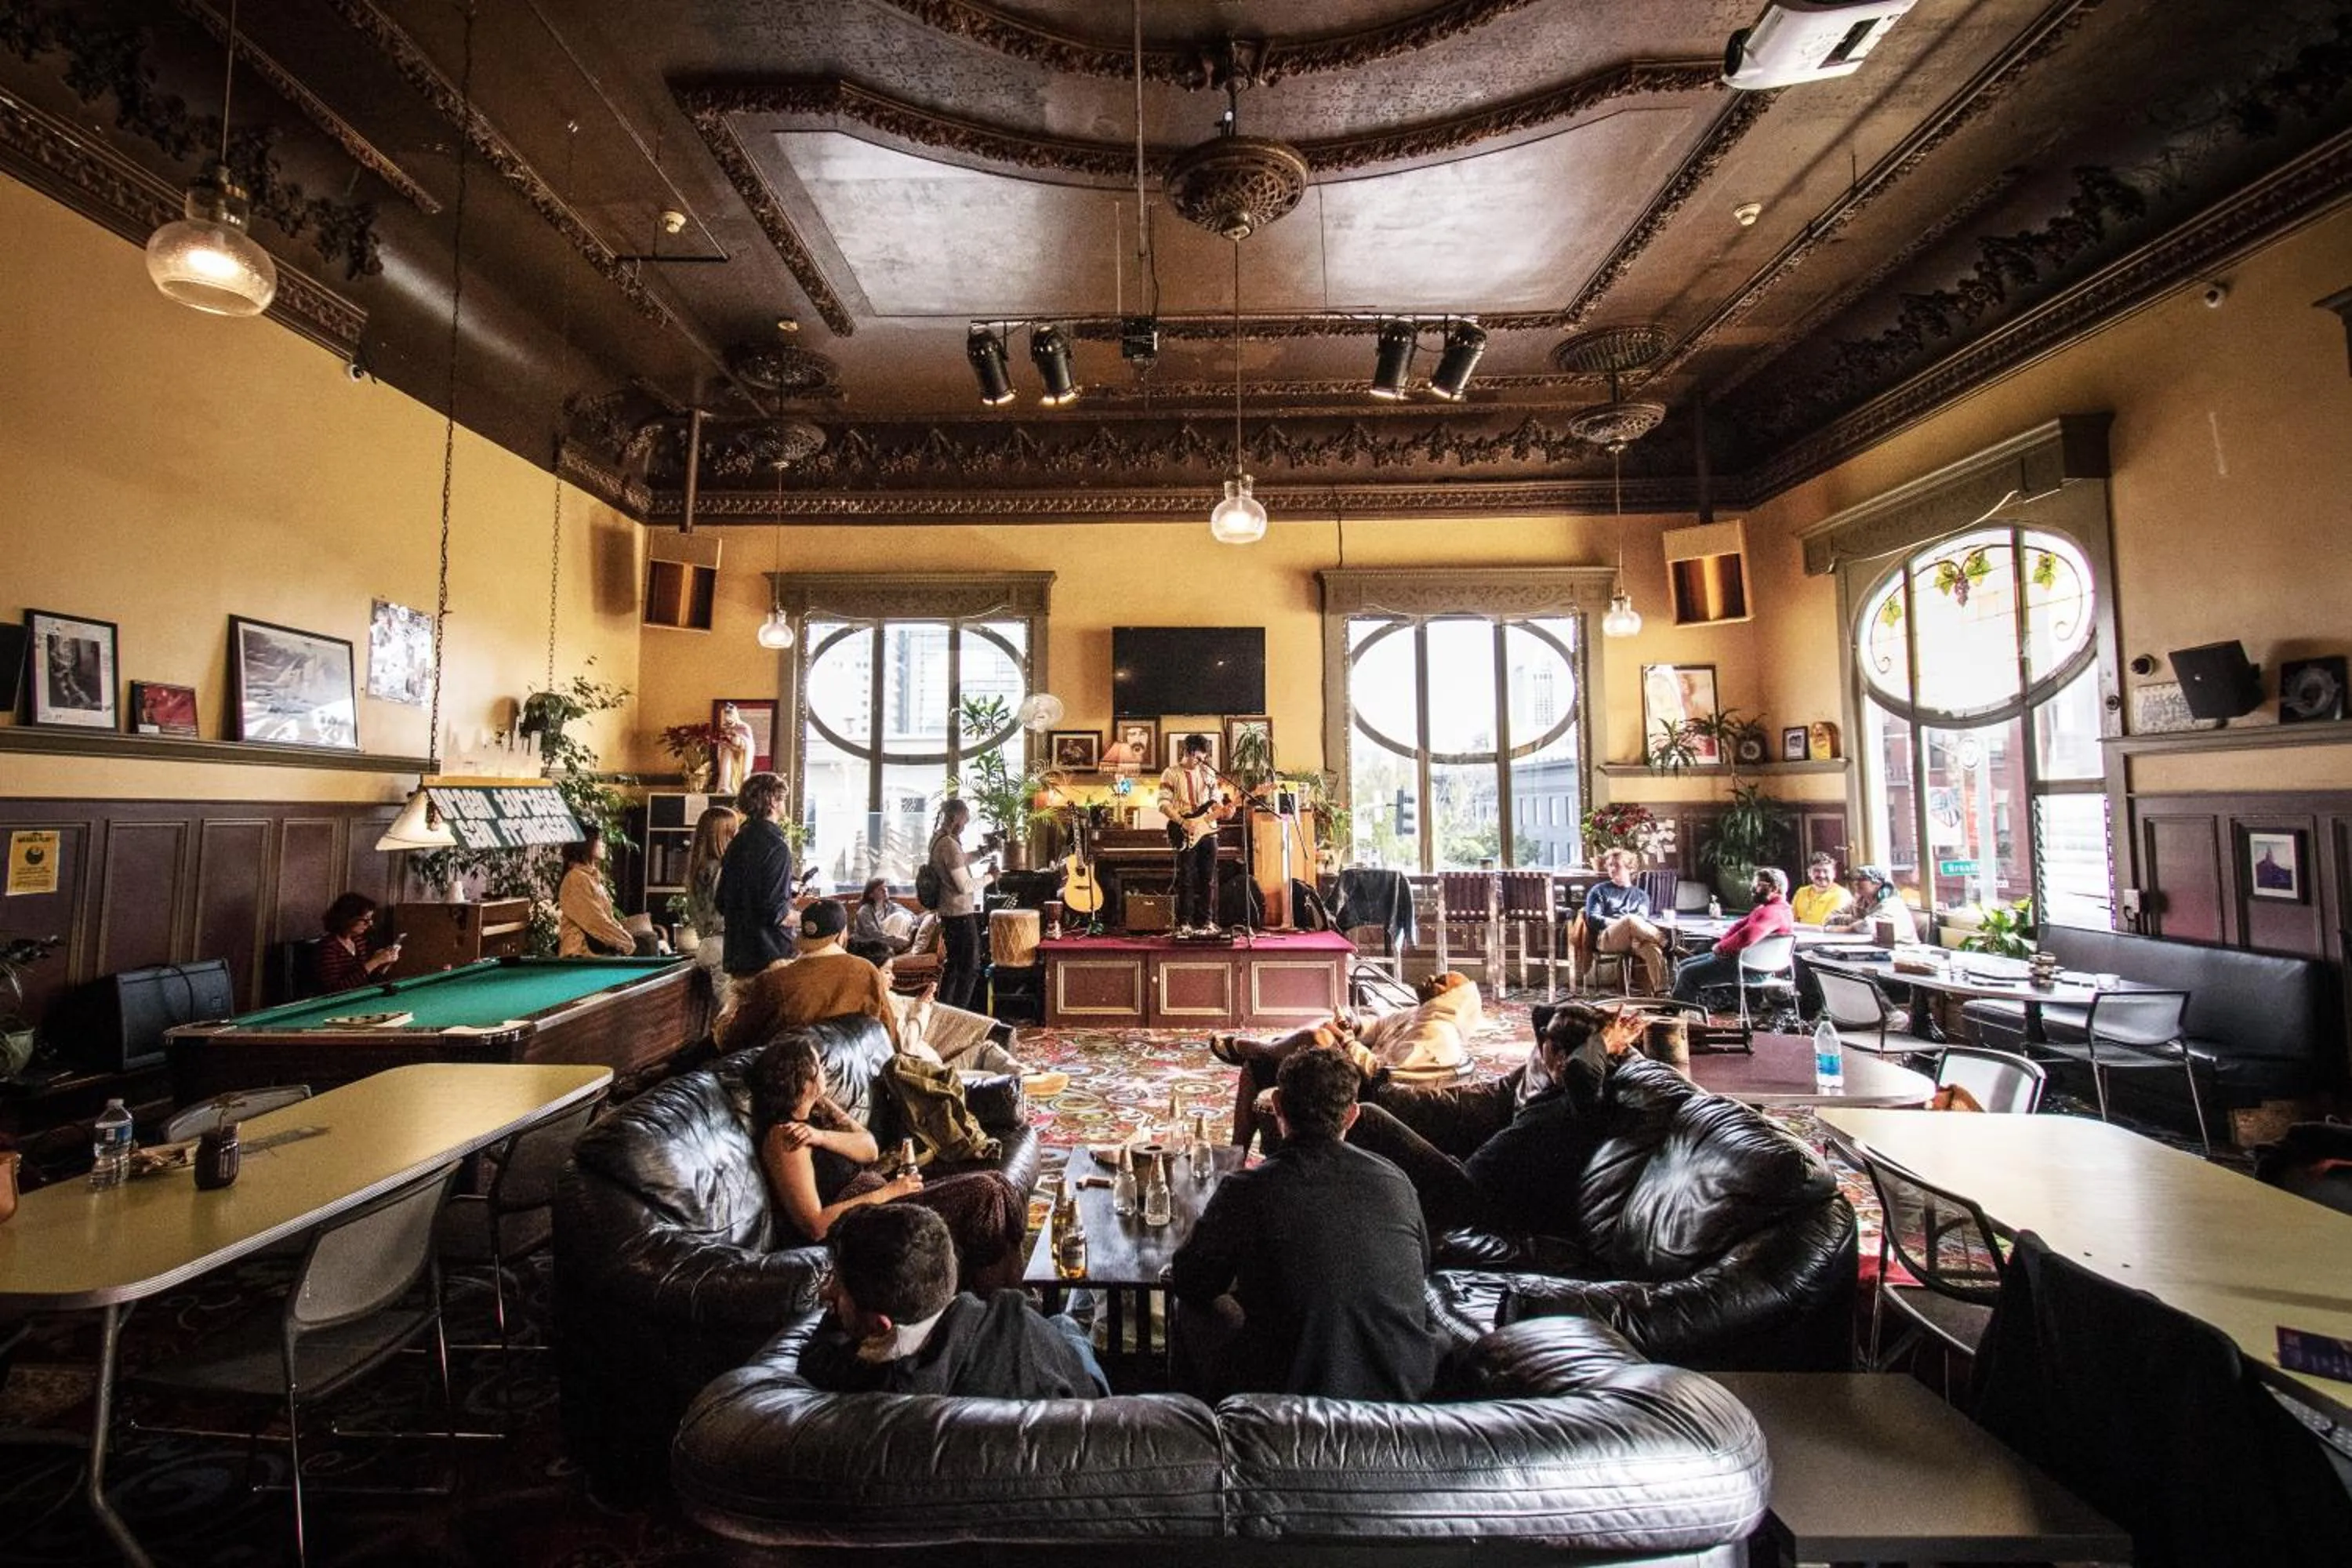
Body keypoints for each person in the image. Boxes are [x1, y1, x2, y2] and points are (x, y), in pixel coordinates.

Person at [1169, 1045, 1438, 1403]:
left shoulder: (1248, 1189)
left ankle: (1200, 1427)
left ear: (1277, 1105)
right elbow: (1421, 1268)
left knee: (1189, 1307)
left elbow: (1189, 1280)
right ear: (1352, 1116)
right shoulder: (1396, 1180)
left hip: (1290, 1402)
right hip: (1404, 1390)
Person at [745, 1032, 1027, 1293]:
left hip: (885, 1200)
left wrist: (822, 1133)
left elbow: (869, 1149)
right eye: (818, 1067)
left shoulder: (814, 1118)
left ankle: (1017, 1293)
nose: (823, 1073)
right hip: (866, 1221)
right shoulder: (785, 1139)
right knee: (984, 1193)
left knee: (998, 1182)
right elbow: (816, 1225)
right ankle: (996, 1304)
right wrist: (888, 1192)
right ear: (802, 1079)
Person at [1341, 1001, 1650, 1240]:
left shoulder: (1583, 1099)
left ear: (1560, 1056)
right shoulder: (1570, 1093)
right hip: (1468, 1179)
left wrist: (1603, 1039)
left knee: (1368, 1118)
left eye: (1549, 1050)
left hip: (1472, 1198)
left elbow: (1580, 1071)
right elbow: (1542, 1016)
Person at [797, 1203, 1107, 1398]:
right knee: (1065, 1324)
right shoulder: (1016, 1320)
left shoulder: (858, 1380)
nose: (826, 1293)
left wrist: (844, 1312)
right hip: (1079, 1391)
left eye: (835, 1284)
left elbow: (815, 1357)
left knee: (1067, 1321)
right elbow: (1089, 1404)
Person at [1214, 973, 1483, 1149]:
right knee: (1256, 1069)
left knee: (1317, 1038)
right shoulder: (1417, 1014)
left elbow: (1390, 1079)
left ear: (1451, 1000)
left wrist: (1345, 1042)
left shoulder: (1438, 1033)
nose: (1432, 977)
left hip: (1373, 1096)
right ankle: (1236, 1156)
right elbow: (1376, 1026)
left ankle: (1260, 1048)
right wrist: (1352, 1024)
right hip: (1358, 1074)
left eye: (1442, 981)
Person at [728, 900, 902, 1048]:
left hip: (793, 1081)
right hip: (859, 1079)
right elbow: (888, 1033)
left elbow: (735, 1039)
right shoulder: (867, 971)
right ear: (842, 935)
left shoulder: (775, 980)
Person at [1671, 866, 1797, 1002]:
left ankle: (1681, 1016)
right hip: (1751, 966)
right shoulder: (1777, 909)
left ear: (1774, 888)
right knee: (1683, 965)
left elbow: (1747, 936)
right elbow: (1739, 926)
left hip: (1750, 970)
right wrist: (1722, 945)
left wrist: (1721, 948)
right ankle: (1690, 1009)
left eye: (1758, 885)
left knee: (1687, 973)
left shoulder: (1771, 912)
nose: (1752, 889)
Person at [717, 770, 797, 982]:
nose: (784, 805)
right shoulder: (776, 847)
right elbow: (775, 912)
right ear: (771, 801)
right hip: (771, 958)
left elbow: (721, 902)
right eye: (782, 798)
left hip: (738, 954)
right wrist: (802, 917)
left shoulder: (737, 842)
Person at [928, 800, 994, 1011]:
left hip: (948, 913)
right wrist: (991, 877)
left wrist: (985, 852)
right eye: (965, 820)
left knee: (954, 966)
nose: (965, 825)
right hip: (960, 914)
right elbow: (965, 885)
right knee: (970, 968)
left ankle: (945, 1012)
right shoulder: (949, 844)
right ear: (955, 818)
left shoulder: (938, 839)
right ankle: (960, 1013)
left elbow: (960, 860)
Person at [1157, 732, 1225, 936]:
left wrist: (1225, 810)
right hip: (1184, 828)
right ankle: (1184, 922)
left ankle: (1207, 921)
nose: (1200, 761)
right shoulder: (1170, 773)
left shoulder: (1208, 774)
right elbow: (1163, 804)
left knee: (1208, 878)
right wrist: (1183, 822)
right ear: (1186, 752)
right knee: (1186, 877)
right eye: (1196, 757)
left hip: (1208, 831)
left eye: (1203, 757)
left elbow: (1216, 802)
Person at [1581, 848, 1670, 993]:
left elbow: (1641, 920)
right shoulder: (1599, 890)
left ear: (1630, 868)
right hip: (1608, 938)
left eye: (1617, 865)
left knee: (1652, 949)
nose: (1612, 869)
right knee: (1630, 919)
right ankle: (1666, 943)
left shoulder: (1641, 896)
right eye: (1610, 865)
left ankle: (1663, 994)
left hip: (1634, 939)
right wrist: (1621, 923)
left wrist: (1632, 929)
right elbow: (1593, 918)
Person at [684, 804, 742, 1007]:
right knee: (732, 1014)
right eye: (733, 831)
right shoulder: (723, 870)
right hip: (723, 948)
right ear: (722, 835)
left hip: (706, 945)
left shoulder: (697, 870)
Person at [557, 826, 638, 957]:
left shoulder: (591, 877)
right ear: (586, 845)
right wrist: (626, 942)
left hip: (596, 954)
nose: (604, 845)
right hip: (580, 955)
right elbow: (594, 920)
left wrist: (625, 940)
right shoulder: (576, 878)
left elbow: (607, 918)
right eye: (600, 840)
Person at [313, 891, 401, 993]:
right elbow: (335, 990)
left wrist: (384, 963)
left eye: (371, 919)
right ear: (348, 919)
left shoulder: (358, 941)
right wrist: (374, 962)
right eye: (365, 920)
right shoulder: (327, 948)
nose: (370, 924)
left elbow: (366, 979)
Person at [1824, 863, 1919, 943]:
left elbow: (1866, 927)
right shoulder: (1859, 901)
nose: (1856, 882)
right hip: (1875, 948)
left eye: (1862, 879)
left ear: (1877, 883)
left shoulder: (1892, 902)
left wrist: (1834, 929)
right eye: (1855, 879)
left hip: (1901, 950)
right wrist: (1854, 919)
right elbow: (1829, 918)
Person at [849, 876, 914, 964]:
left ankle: (893, 950)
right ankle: (891, 951)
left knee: (905, 917)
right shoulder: (865, 911)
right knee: (899, 917)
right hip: (868, 945)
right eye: (880, 889)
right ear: (871, 895)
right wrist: (898, 940)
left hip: (889, 943)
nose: (885, 890)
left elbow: (913, 917)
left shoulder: (892, 906)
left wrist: (909, 936)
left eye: (885, 887)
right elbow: (873, 935)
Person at [1791, 852, 1853, 927]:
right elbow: (1792, 920)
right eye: (1817, 871)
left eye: (1826, 871)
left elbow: (1827, 924)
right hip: (1801, 936)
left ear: (1834, 874)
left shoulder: (1841, 894)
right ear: (1809, 873)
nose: (1821, 875)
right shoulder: (1801, 892)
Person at [713, 702, 758, 794]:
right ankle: (725, 787)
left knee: (737, 779)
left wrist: (736, 737)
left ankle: (736, 789)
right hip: (727, 755)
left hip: (739, 758)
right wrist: (723, 743)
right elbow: (721, 743)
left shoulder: (744, 727)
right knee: (726, 771)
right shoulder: (725, 728)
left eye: (730, 714)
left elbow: (748, 744)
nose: (727, 717)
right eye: (726, 715)